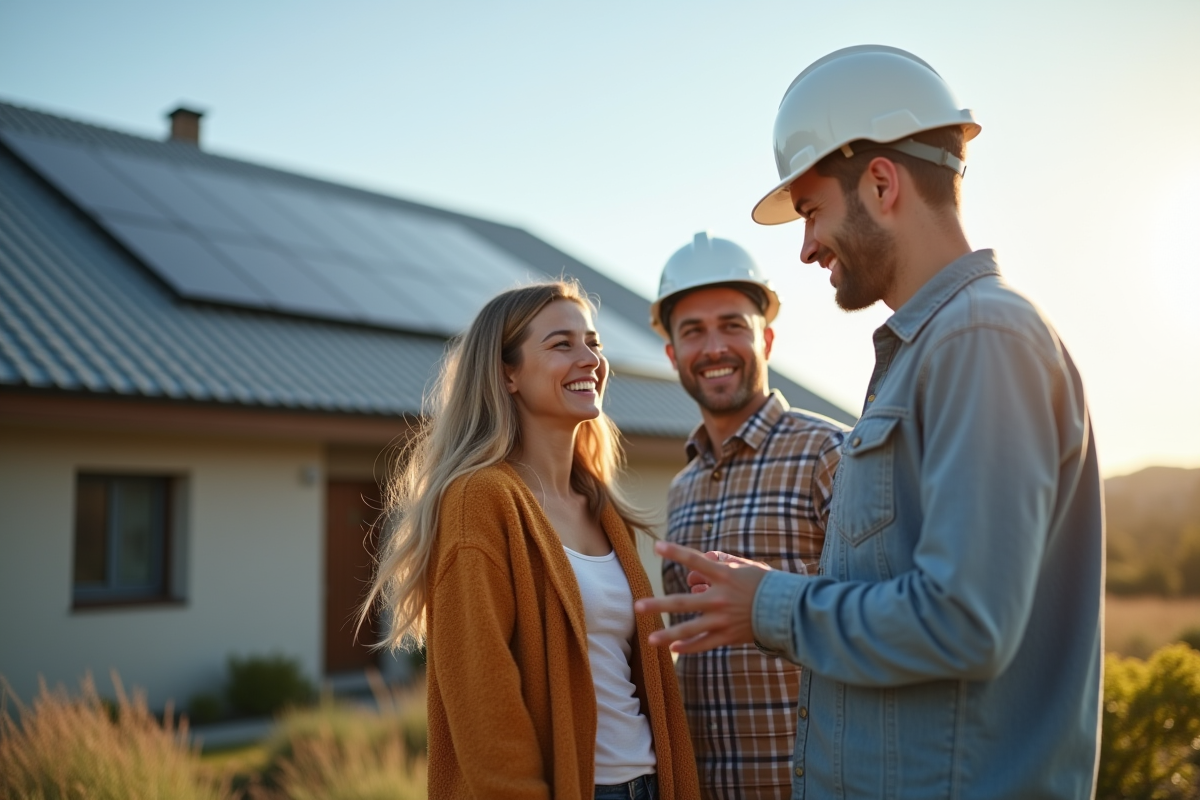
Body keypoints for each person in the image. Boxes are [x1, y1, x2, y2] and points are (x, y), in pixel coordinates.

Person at [636, 45, 1104, 799]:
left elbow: (965, 620)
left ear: (882, 184)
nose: (807, 244)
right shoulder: (932, 352)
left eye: (813, 211)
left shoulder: (981, 337)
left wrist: (769, 605)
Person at [363, 280, 700, 800]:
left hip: (650, 784)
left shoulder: (603, 508)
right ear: (508, 373)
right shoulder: (480, 499)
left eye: (593, 343)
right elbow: (483, 704)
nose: (590, 358)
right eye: (562, 344)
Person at [648, 232, 845, 799]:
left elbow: (886, 615)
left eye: (733, 325)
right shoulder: (681, 489)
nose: (713, 347)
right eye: (693, 331)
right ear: (672, 355)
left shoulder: (830, 455)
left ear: (768, 338)